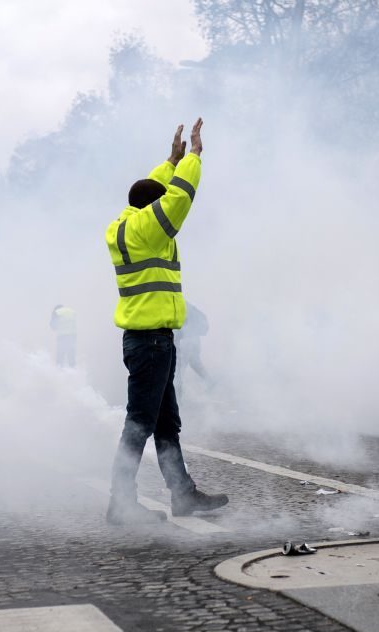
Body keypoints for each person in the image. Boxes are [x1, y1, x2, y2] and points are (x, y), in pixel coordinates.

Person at [103, 118, 228, 525]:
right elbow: (175, 201)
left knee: (165, 424)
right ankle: (121, 504)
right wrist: (192, 157)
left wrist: (168, 162)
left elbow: (149, 193)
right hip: (152, 343)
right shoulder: (151, 230)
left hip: (149, 342)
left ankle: (183, 494)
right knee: (138, 426)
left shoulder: (123, 225)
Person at [175, 301, 211, 399]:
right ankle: (210, 381)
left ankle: (177, 397)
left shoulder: (177, 305)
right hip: (193, 340)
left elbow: (178, 329)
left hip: (185, 341)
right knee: (195, 363)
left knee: (178, 370)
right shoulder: (188, 305)